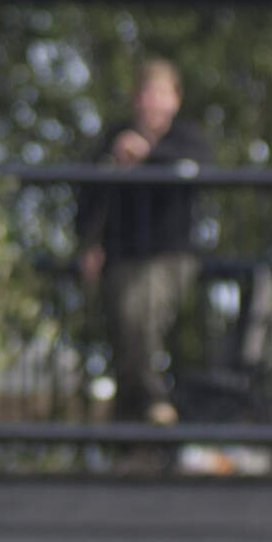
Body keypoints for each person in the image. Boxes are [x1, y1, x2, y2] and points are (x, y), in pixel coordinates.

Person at [76, 58, 210, 425]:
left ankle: (154, 403)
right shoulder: (112, 138)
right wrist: (88, 243)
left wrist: (148, 155)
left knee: (141, 315)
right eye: (146, 93)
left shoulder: (185, 139)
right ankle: (137, 428)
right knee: (123, 334)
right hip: (120, 256)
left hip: (169, 256)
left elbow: (195, 171)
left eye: (160, 94)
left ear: (175, 100)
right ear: (135, 99)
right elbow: (89, 197)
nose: (151, 102)